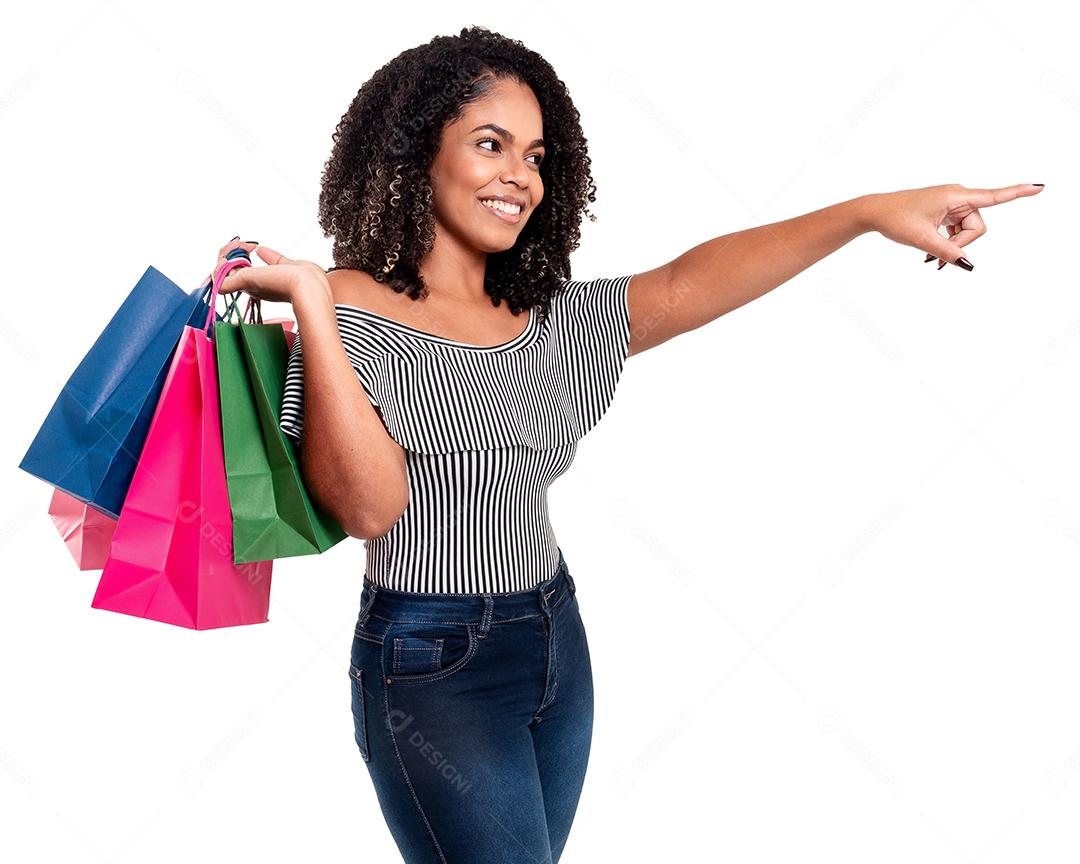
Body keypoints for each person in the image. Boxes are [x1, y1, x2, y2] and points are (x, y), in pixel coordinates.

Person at [214, 25, 1043, 864]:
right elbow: (367, 507)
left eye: (535, 155)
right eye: (489, 144)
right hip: (433, 667)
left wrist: (867, 214)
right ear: (415, 154)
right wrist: (313, 306)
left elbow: (687, 282)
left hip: (554, 636)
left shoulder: (549, 317)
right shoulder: (345, 312)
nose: (518, 176)